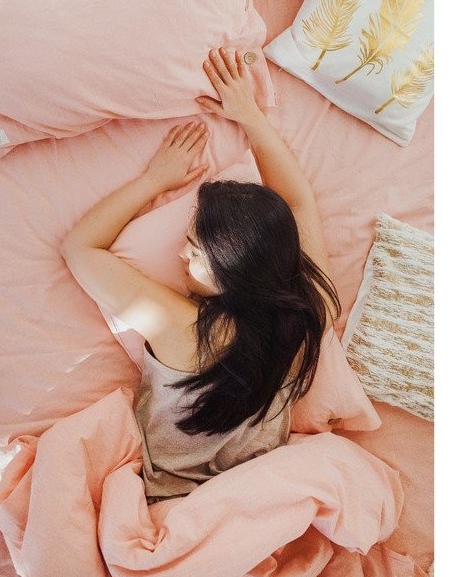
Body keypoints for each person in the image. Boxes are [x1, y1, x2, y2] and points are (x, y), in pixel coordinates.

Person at [61, 47, 340, 501]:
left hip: (177, 497)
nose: (179, 254)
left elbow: (79, 248)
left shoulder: (184, 328)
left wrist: (155, 179)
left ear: (231, 273)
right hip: (262, 485)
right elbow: (297, 202)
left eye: (193, 249)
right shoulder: (311, 309)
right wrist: (250, 115)